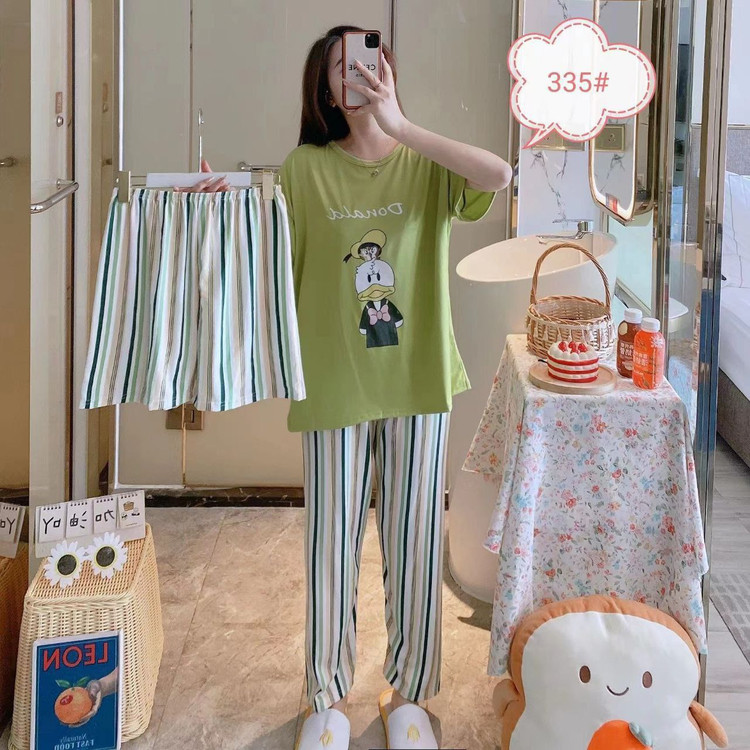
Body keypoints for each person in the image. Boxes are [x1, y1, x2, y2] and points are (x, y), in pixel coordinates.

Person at [181, 24, 511, 750]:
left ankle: (409, 694)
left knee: (415, 543)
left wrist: (401, 126)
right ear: (324, 89)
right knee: (329, 548)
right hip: (334, 384)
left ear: (387, 71)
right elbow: (262, 250)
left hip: (418, 380)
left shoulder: (426, 164)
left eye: (368, 59)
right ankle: (324, 698)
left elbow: (498, 175)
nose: (357, 73)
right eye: (340, 67)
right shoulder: (305, 169)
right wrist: (221, 205)